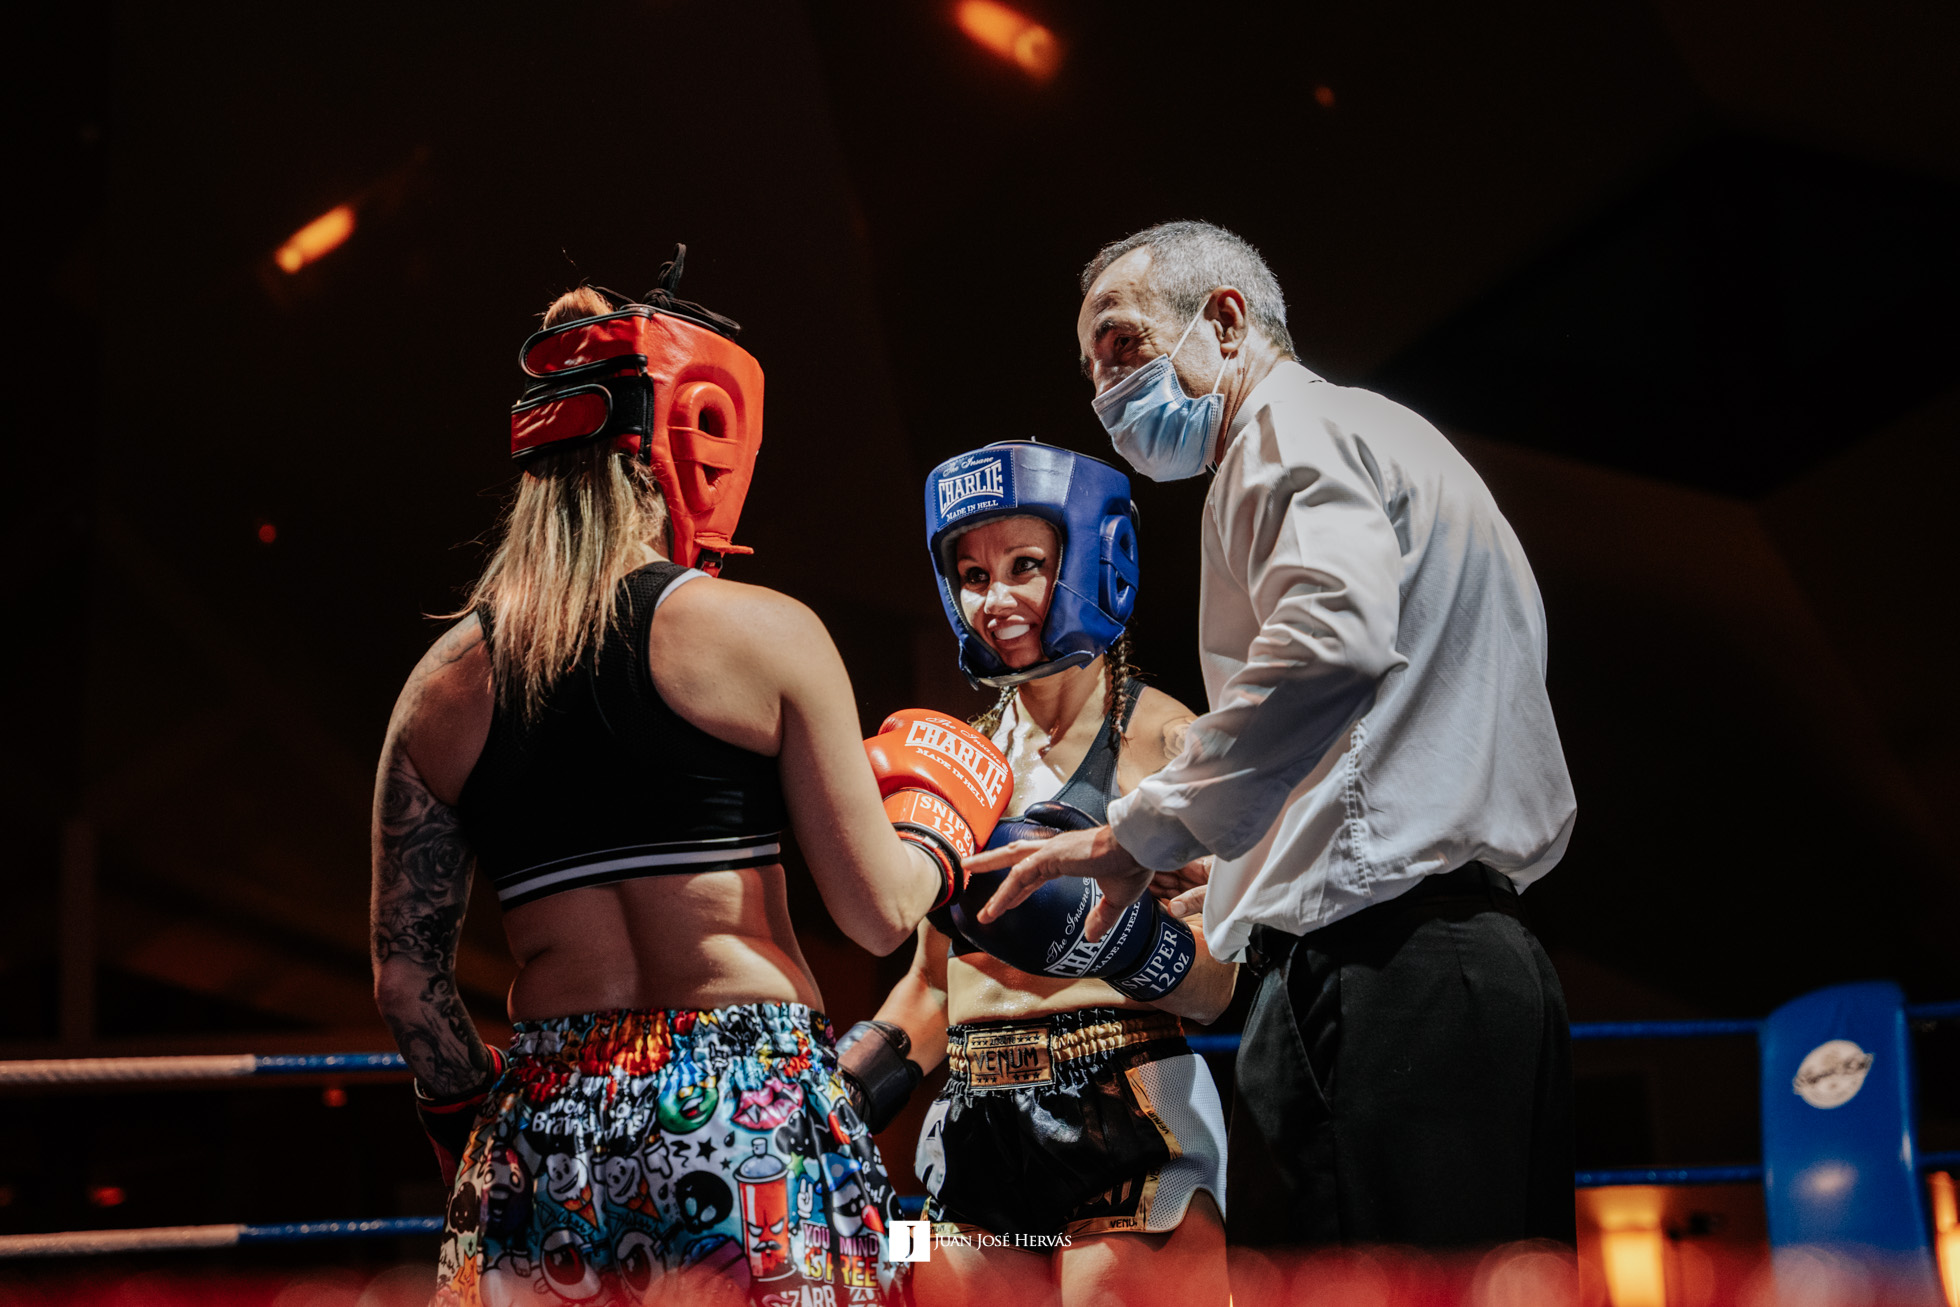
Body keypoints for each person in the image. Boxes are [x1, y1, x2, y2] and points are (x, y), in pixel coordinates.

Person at [369, 254, 1012, 1307]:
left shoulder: (438, 688)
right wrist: (937, 833)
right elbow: (877, 913)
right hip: (749, 1108)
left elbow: (407, 986)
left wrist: (481, 1130)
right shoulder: (763, 634)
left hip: (546, 1119)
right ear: (692, 434)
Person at [969, 221, 1579, 1248]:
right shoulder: (1391, 436)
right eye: (1091, 368)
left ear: (1225, 320)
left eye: (1122, 344)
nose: (1106, 390)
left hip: (1385, 978)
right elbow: (1398, 727)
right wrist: (1254, 863)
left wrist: (1139, 831)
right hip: (1478, 970)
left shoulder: (1282, 434)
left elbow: (1328, 647)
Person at [832, 442, 1236, 1307]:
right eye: (974, 575)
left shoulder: (1171, 745)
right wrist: (839, 1092)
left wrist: (1117, 940)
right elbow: (931, 987)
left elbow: (1216, 988)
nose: (997, 600)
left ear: (1088, 560)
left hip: (1128, 1102)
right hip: (971, 1115)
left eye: (1025, 566)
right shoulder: (954, 762)